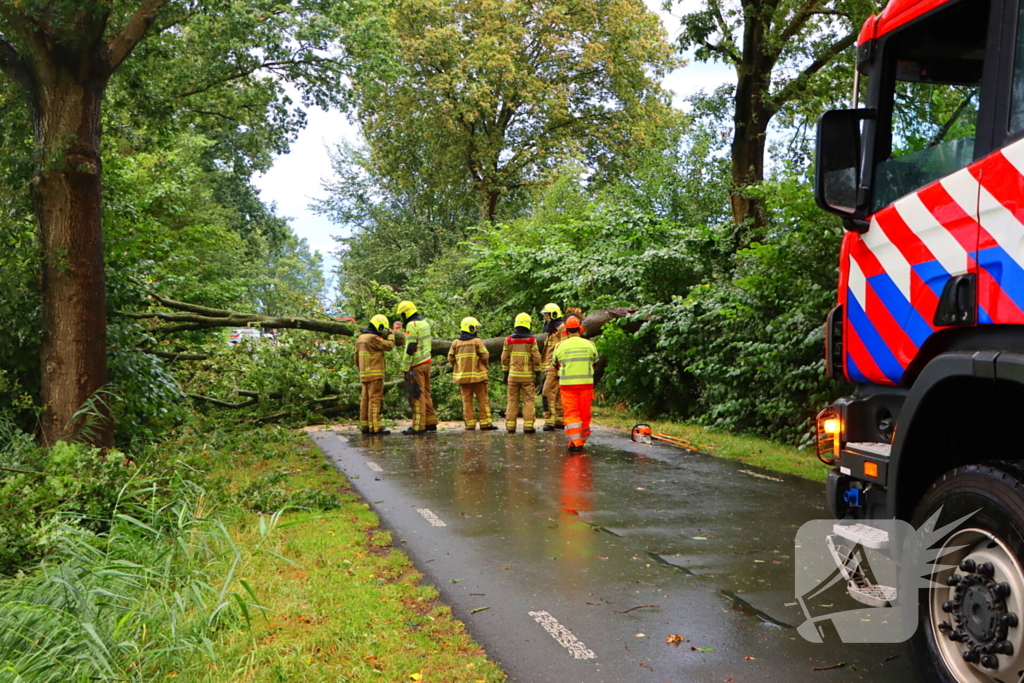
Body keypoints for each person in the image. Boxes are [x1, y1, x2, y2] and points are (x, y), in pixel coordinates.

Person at [552, 315, 598, 453]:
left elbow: (555, 364)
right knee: (584, 413)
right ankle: (581, 440)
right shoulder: (590, 345)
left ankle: (575, 441)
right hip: (586, 385)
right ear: (580, 328)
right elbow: (595, 361)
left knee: (572, 413)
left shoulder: (559, 346)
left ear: (565, 330)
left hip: (567, 386)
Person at [448, 317, 498, 431]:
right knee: (482, 399)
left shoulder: (455, 343)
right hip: (478, 377)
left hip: (462, 379)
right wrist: (484, 365)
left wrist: (458, 367)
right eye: (475, 327)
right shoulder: (477, 342)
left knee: (466, 401)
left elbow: (450, 358)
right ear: (471, 328)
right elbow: (485, 355)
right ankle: (485, 423)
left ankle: (470, 424)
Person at [397, 300, 438, 435]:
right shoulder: (425, 323)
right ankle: (431, 422)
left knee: (417, 395)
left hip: (417, 365)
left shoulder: (412, 325)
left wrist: (405, 367)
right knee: (426, 392)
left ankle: (418, 426)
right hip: (427, 362)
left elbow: (410, 347)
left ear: (405, 313)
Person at [501, 313, 543, 433]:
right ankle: (528, 426)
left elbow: (504, 358)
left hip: (513, 377)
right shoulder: (531, 340)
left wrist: (505, 373)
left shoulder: (508, 340)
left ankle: (510, 426)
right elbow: (536, 358)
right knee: (528, 401)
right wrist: (538, 375)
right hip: (527, 378)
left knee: (512, 401)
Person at [354, 315, 396, 435]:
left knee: (365, 400)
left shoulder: (360, 338)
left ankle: (365, 426)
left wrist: (361, 370)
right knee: (374, 400)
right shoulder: (373, 338)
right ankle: (375, 428)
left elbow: (356, 358)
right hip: (375, 374)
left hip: (364, 374)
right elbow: (388, 346)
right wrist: (391, 335)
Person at [539, 303, 567, 431]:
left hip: (555, 367)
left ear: (554, 315)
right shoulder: (552, 331)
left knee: (547, 393)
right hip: (550, 367)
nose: (546, 318)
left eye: (547, 315)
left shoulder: (561, 328)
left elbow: (565, 347)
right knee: (557, 394)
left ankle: (549, 421)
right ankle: (560, 420)